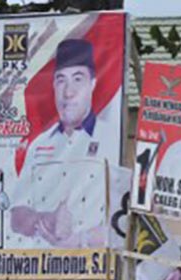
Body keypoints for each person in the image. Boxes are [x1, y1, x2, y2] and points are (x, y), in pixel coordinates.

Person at [9, 38, 119, 248]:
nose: (68, 92)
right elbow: (16, 216)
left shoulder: (112, 140)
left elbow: (124, 221)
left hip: (95, 269)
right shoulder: (39, 144)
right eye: (61, 80)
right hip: (41, 268)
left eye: (78, 79)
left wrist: (78, 240)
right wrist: (44, 220)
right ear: (53, 86)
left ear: (93, 84)